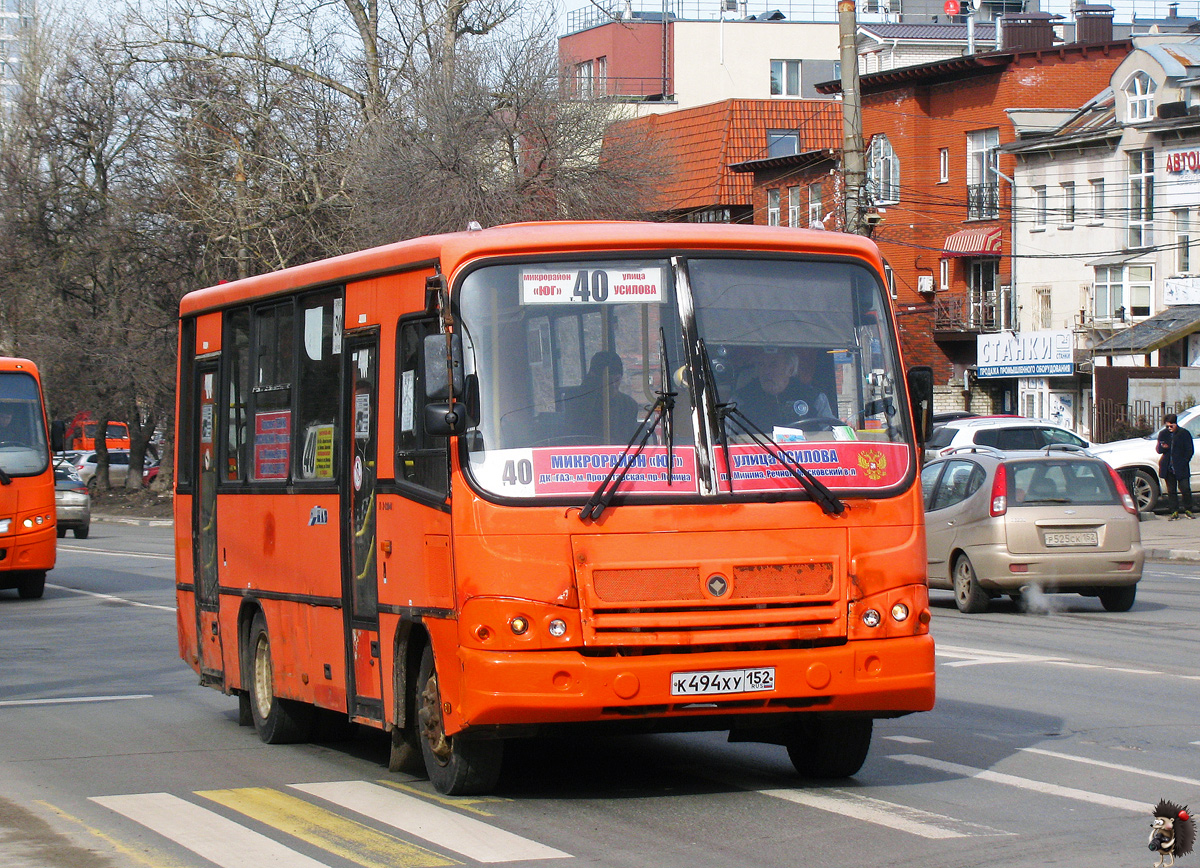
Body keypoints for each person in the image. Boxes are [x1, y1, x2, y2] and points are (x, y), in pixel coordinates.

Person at [733, 346, 834, 432]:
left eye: (773, 365)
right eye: (761, 365)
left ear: (790, 370)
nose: (766, 371)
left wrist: (842, 428)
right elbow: (726, 435)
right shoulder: (741, 400)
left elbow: (830, 432)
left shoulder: (813, 398)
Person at [568, 351, 641, 443]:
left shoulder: (629, 405)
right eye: (608, 380)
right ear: (594, 377)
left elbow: (633, 441)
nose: (613, 385)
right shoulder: (578, 402)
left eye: (617, 380)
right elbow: (573, 438)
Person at [1157, 413, 1195, 520]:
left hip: (1181, 466)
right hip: (1168, 467)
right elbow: (1159, 450)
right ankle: (1174, 511)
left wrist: (1185, 461)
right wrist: (1163, 447)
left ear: (1175, 424)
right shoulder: (1163, 434)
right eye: (1167, 426)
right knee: (1171, 491)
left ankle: (1188, 509)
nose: (1169, 428)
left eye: (1171, 426)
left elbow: (1189, 450)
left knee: (1185, 489)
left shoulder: (1184, 434)